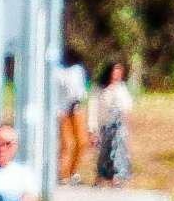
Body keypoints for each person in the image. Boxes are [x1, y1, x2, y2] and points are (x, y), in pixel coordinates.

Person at [93, 63, 134, 185]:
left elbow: (127, 105)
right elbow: (94, 109)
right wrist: (92, 129)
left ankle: (116, 177)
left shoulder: (121, 88)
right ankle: (100, 177)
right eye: (115, 72)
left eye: (119, 72)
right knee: (104, 152)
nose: (117, 75)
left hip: (119, 126)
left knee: (118, 151)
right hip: (105, 126)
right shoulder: (100, 89)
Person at [56, 56, 93, 184]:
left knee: (82, 142)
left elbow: (81, 90)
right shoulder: (56, 70)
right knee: (66, 144)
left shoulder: (78, 70)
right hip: (62, 110)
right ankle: (63, 174)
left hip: (77, 107)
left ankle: (72, 171)